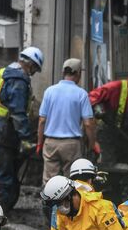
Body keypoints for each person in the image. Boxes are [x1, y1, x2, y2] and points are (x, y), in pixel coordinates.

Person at [0, 46, 43, 213]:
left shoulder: (2, 71)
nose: (33, 74)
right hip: (2, 133)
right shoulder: (18, 79)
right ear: (30, 65)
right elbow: (17, 112)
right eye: (35, 70)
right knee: (1, 176)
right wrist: (26, 138)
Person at [36, 58, 99, 186]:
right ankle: (67, 205)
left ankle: (49, 205)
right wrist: (92, 144)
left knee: (49, 182)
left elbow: (42, 120)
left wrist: (39, 142)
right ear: (78, 74)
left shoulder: (50, 91)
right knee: (70, 182)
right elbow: (88, 123)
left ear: (63, 72)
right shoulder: (81, 94)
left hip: (50, 143)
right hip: (72, 144)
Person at [88, 70, 128, 167]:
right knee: (109, 161)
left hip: (125, 133)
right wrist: (97, 108)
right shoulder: (115, 87)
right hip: (107, 129)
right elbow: (92, 96)